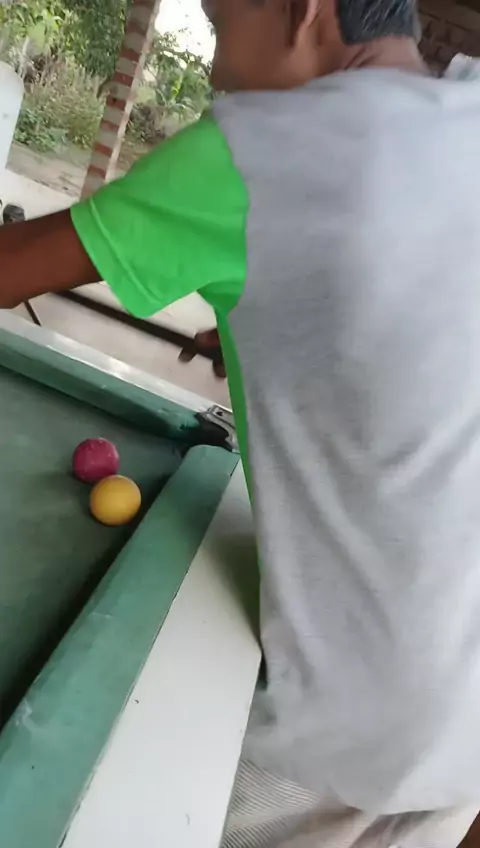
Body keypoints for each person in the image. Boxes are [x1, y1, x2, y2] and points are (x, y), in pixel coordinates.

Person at [2, 0, 480, 845]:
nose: (218, 66)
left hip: (350, 719)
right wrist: (278, 330)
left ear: (303, 11)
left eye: (222, 22)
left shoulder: (263, 148)